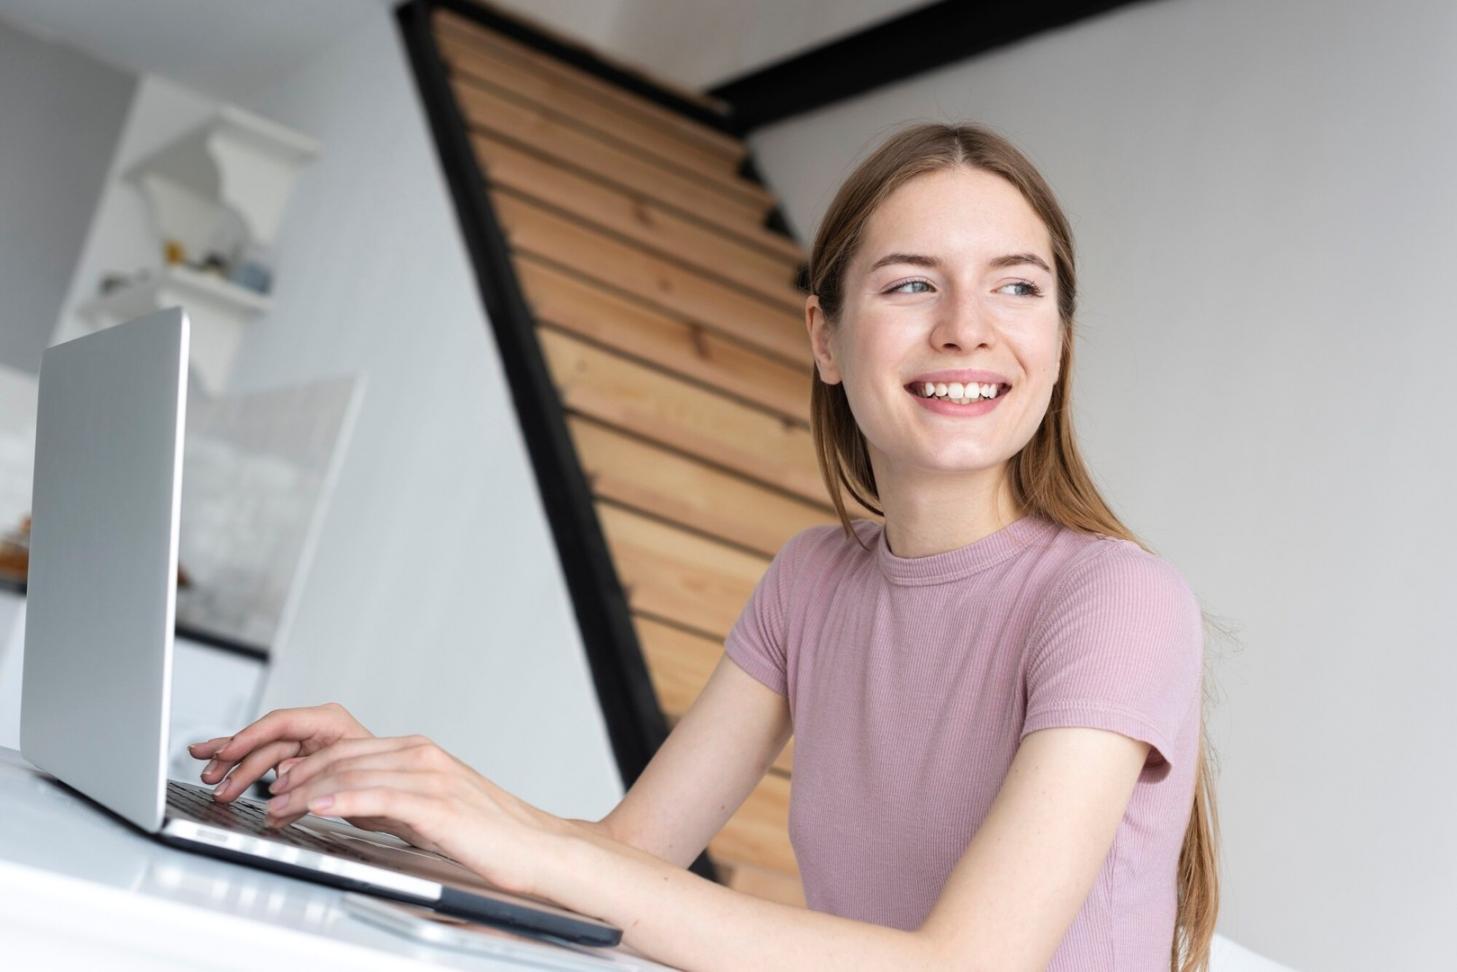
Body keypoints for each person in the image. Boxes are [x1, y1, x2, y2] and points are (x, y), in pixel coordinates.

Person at [190, 122, 1219, 971]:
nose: (965, 327)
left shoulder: (1117, 602)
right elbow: (624, 860)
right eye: (911, 285)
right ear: (823, 336)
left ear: (1059, 340)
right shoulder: (812, 579)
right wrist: (400, 794)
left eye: (1015, 286)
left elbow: (958, 967)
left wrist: (515, 838)